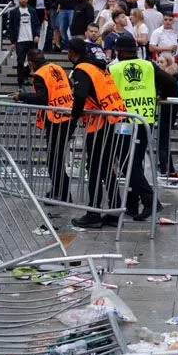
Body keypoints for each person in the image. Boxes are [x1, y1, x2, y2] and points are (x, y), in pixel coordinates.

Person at [109, 35, 177, 220]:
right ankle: (132, 205)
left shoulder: (113, 68)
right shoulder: (148, 65)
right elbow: (171, 83)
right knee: (134, 164)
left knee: (127, 165)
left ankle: (151, 201)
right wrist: (160, 94)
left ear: (120, 52)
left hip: (124, 123)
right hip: (145, 121)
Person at [66, 37, 127, 229]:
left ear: (72, 53)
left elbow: (81, 96)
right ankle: (114, 211)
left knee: (94, 169)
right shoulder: (99, 67)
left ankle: (93, 212)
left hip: (100, 124)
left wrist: (73, 119)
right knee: (107, 168)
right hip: (113, 120)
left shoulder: (82, 69)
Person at [12, 49, 75, 202]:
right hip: (68, 115)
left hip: (56, 119)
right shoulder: (57, 67)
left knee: (54, 159)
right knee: (57, 157)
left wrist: (21, 96)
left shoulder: (40, 74)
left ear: (31, 63)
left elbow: (42, 98)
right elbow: (70, 83)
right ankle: (62, 192)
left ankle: (60, 193)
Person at [7, 0, 40, 88]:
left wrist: (37, 35)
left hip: (31, 39)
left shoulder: (32, 11)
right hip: (20, 40)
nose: (23, 0)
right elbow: (11, 27)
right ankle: (20, 82)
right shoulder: (14, 12)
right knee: (20, 61)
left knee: (33, 61)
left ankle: (29, 77)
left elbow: (37, 24)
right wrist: (13, 41)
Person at [156, 53, 178, 176]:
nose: (159, 64)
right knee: (164, 142)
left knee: (162, 143)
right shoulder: (167, 77)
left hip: (168, 111)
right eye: (158, 62)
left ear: (168, 63)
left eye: (162, 62)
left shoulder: (170, 78)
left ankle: (164, 170)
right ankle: (170, 169)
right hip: (167, 110)